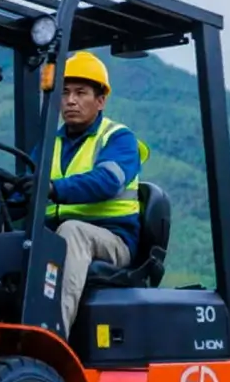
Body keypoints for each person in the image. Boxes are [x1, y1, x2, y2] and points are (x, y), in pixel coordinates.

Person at [19, 50, 149, 336]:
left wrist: (54, 188)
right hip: (56, 233)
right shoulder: (49, 145)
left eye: (81, 93)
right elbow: (26, 186)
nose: (71, 100)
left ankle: (52, 335)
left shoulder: (117, 138)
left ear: (100, 100)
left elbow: (107, 180)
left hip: (113, 239)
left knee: (72, 232)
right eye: (64, 93)